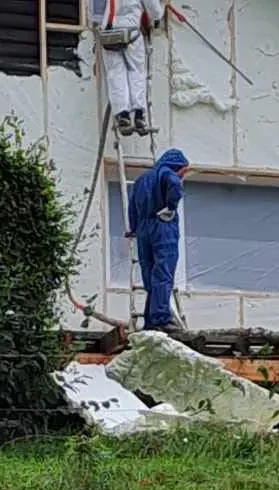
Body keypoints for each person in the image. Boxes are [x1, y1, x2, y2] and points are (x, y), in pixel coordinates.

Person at [128, 148, 188, 331]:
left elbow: (131, 206)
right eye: (183, 172)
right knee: (163, 272)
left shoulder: (140, 180)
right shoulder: (166, 173)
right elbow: (175, 186)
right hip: (162, 227)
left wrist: (134, 228)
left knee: (150, 275)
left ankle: (150, 319)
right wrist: (171, 206)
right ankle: (161, 318)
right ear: (177, 166)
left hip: (143, 230)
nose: (182, 177)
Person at [91, 0, 166, 136]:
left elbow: (95, 14)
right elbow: (154, 10)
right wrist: (158, 15)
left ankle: (122, 114)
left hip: (109, 33)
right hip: (131, 31)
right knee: (136, 71)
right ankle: (139, 114)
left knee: (115, 74)